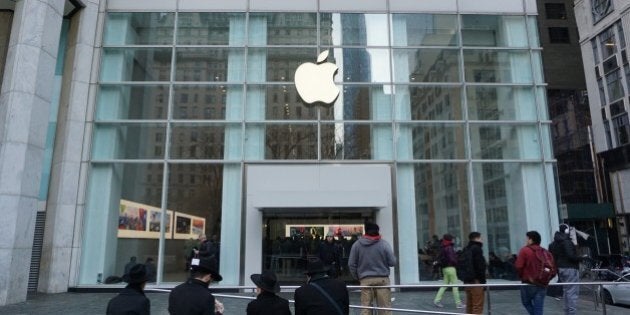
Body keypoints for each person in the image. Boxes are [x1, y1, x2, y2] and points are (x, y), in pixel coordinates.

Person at [348, 222, 396, 315]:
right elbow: (392, 262)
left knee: (366, 309)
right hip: (382, 280)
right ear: (378, 231)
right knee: (385, 309)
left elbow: (351, 264)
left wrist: (358, 277)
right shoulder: (384, 244)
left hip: (365, 280)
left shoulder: (357, 245)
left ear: (365, 231)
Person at [549, 223, 582, 315]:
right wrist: (581, 258)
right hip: (570, 268)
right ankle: (572, 313)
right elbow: (571, 256)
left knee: (566, 291)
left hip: (561, 269)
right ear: (566, 231)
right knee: (572, 292)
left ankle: (567, 312)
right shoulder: (566, 242)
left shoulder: (554, 243)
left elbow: (552, 257)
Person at [515, 231, 547, 315]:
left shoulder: (525, 250)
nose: (526, 240)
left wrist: (522, 276)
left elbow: (518, 266)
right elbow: (552, 267)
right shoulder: (544, 251)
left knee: (526, 302)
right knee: (539, 307)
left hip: (528, 283)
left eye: (527, 238)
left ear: (531, 240)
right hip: (542, 283)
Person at [433, 234, 465, 309]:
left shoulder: (442, 247)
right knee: (455, 285)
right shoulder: (449, 247)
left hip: (444, 268)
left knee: (444, 285)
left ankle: (437, 300)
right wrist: (457, 262)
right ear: (450, 240)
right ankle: (458, 303)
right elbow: (452, 258)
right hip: (451, 268)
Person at [462, 232, 487, 315]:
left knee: (469, 304)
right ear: (477, 238)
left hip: (467, 280)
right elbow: (480, 266)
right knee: (477, 305)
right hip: (476, 280)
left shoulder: (466, 249)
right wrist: (483, 281)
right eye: (480, 238)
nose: (481, 240)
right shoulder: (477, 248)